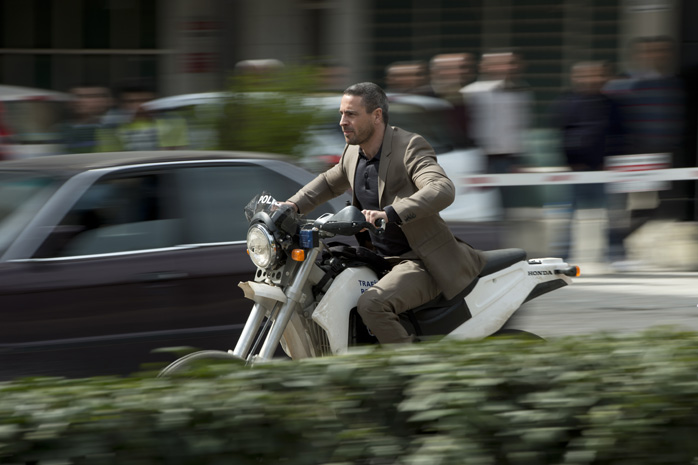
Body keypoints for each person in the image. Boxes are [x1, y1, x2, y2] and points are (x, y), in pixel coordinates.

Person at [283, 82, 485, 344]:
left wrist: (392, 213)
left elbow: (442, 188)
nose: (343, 122)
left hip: (420, 261)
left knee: (372, 305)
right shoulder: (354, 152)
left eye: (351, 114)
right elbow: (328, 183)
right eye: (341, 114)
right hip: (379, 260)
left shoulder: (409, 147)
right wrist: (291, 206)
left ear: (376, 115)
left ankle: (411, 373)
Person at [550, 61, 625, 261]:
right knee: (566, 216)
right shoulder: (566, 102)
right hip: (575, 170)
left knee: (614, 216)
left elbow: (619, 136)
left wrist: (611, 162)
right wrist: (572, 162)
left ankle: (616, 255)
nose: (592, 80)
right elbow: (563, 135)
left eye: (597, 75)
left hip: (606, 170)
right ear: (575, 78)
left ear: (605, 78)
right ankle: (562, 256)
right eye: (586, 75)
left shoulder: (612, 104)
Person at [62, 84, 113, 153]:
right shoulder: (62, 129)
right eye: (76, 97)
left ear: (107, 101)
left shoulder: (114, 127)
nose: (79, 101)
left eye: (89, 96)